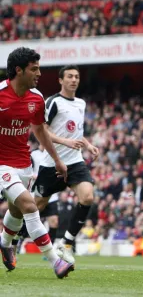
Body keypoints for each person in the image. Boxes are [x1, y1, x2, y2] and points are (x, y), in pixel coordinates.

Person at [0, 47, 74, 278]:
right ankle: (55, 262)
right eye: (34, 69)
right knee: (29, 206)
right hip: (2, 164)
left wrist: (57, 160)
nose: (39, 73)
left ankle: (4, 243)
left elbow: (39, 130)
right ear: (18, 71)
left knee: (17, 211)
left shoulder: (37, 98)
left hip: (23, 163)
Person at [32, 65, 99, 265]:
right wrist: (65, 142)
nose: (74, 80)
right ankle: (13, 238)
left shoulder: (81, 103)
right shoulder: (53, 102)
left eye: (77, 76)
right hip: (51, 163)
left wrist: (87, 144)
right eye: (69, 76)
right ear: (61, 80)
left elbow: (76, 132)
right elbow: (41, 130)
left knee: (87, 196)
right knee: (36, 206)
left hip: (75, 161)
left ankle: (66, 243)